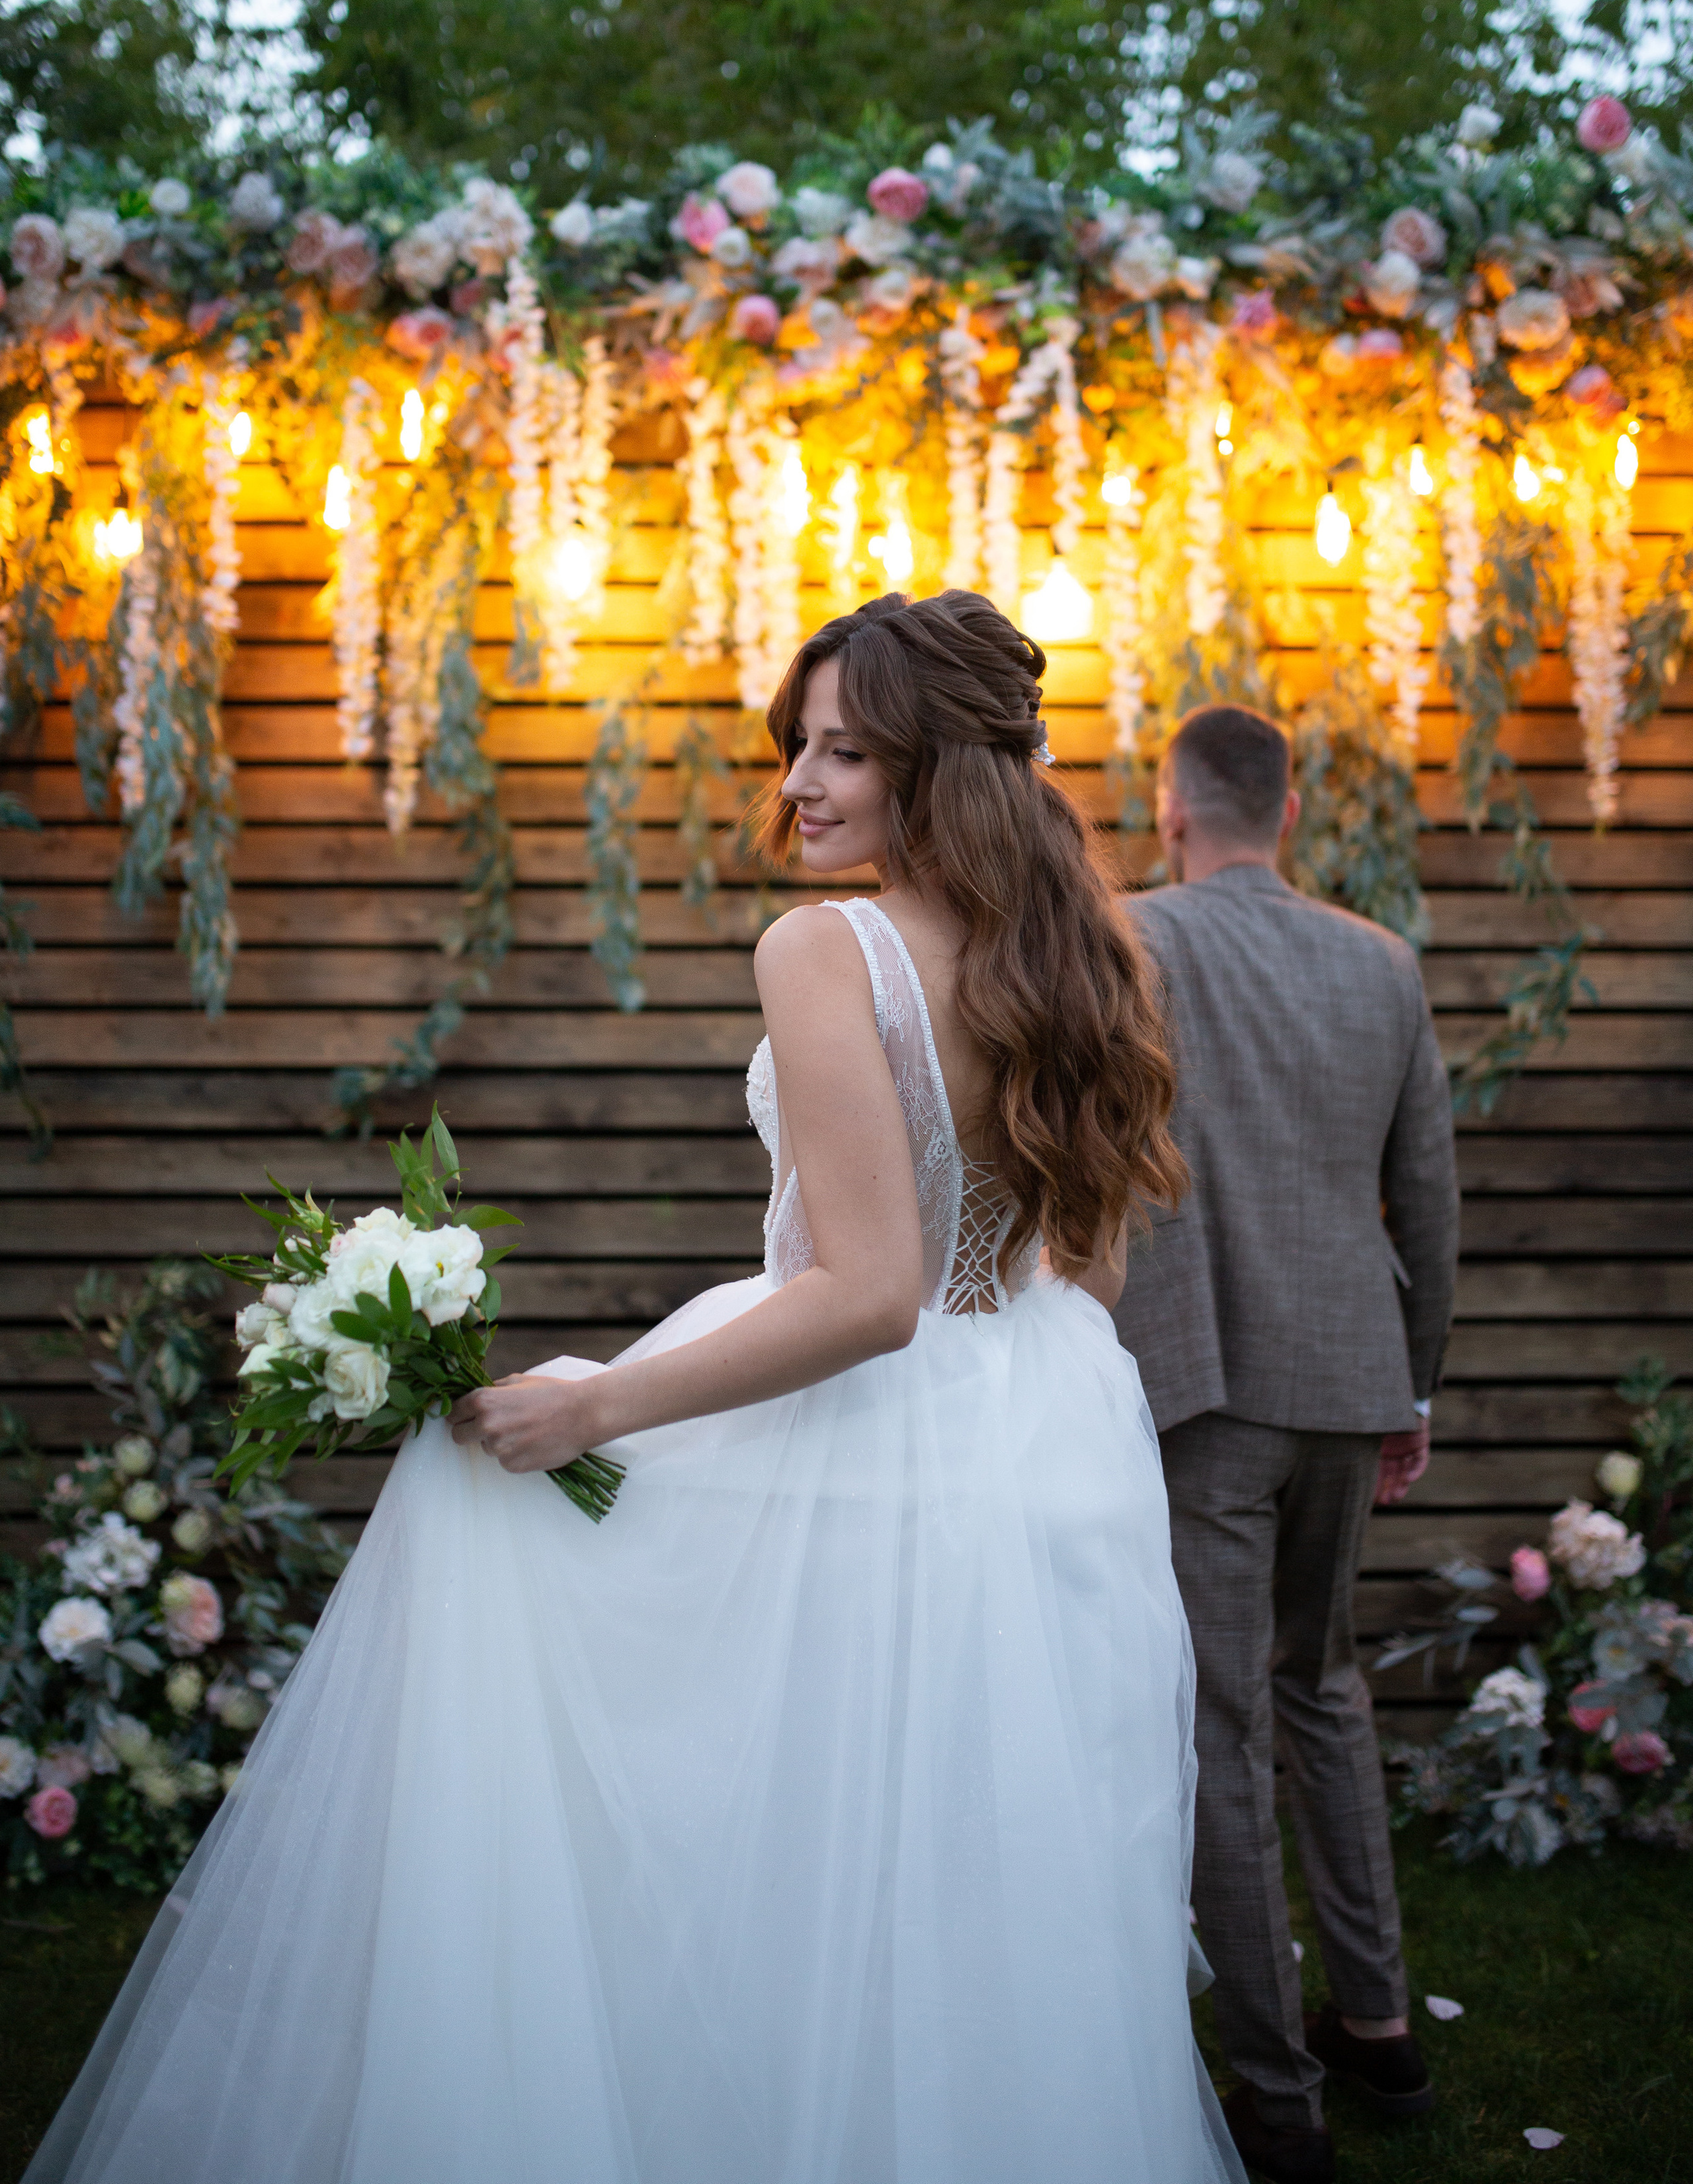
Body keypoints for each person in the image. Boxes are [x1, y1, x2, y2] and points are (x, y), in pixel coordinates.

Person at [28, 592, 1246, 2184]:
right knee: (968, 1899)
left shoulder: (828, 947)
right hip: (1041, 1463)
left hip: (871, 1449)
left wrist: (597, 1405)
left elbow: (871, 1296)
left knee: (743, 1841)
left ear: (938, 769)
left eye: (842, 753)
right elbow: (1073, 1276)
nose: (798, 786)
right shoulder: (1093, 950)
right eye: (796, 748)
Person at [1113, 703, 1460, 2184]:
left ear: (1169, 803)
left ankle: (1273, 2091)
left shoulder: (1126, 935)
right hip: (1347, 1378)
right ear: (1290, 809)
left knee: (1221, 1725)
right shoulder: (1379, 963)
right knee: (1318, 1686)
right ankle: (1374, 2024)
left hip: (1204, 1383)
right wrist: (1412, 1391)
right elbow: (1425, 1197)